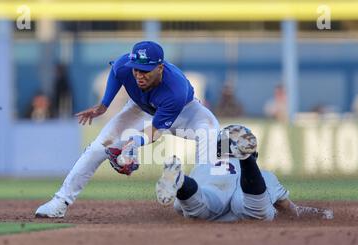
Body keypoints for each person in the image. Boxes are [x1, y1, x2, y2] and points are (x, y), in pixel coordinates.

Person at [35, 41, 220, 218]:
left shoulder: (175, 90)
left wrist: (134, 143)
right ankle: (60, 202)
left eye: (146, 70)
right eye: (136, 69)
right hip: (140, 108)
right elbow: (116, 73)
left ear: (160, 68)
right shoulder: (125, 65)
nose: (139, 75)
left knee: (210, 132)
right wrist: (104, 105)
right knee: (99, 146)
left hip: (185, 112)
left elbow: (156, 130)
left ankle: (202, 196)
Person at [155, 125, 334, 222]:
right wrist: (321, 213)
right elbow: (290, 210)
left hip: (212, 195)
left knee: (197, 206)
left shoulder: (202, 167)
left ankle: (181, 180)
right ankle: (246, 161)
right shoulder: (267, 176)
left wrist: (186, 202)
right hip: (248, 200)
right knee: (257, 211)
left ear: (217, 150)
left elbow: (179, 209)